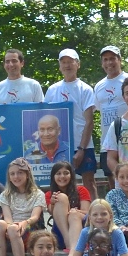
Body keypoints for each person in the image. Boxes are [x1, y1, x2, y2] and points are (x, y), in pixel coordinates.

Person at [44, 49, 98, 187]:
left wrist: (81, 149)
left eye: (70, 62)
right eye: (64, 62)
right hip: (59, 146)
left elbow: (89, 122)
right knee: (60, 183)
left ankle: (93, 203)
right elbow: (46, 117)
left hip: (83, 144)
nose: (67, 65)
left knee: (89, 182)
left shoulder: (85, 89)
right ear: (59, 66)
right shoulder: (52, 90)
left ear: (78, 64)